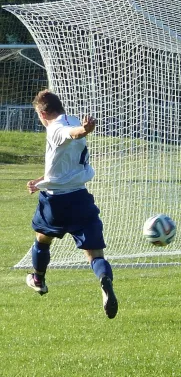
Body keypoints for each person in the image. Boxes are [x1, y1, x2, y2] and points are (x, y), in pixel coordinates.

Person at [26, 89, 118, 319]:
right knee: (95, 254)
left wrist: (84, 131)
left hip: (55, 202)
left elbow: (71, 134)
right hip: (80, 197)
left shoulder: (57, 128)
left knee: (42, 239)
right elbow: (64, 157)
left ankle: (38, 279)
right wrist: (42, 179)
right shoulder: (73, 118)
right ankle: (104, 281)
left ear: (42, 113)